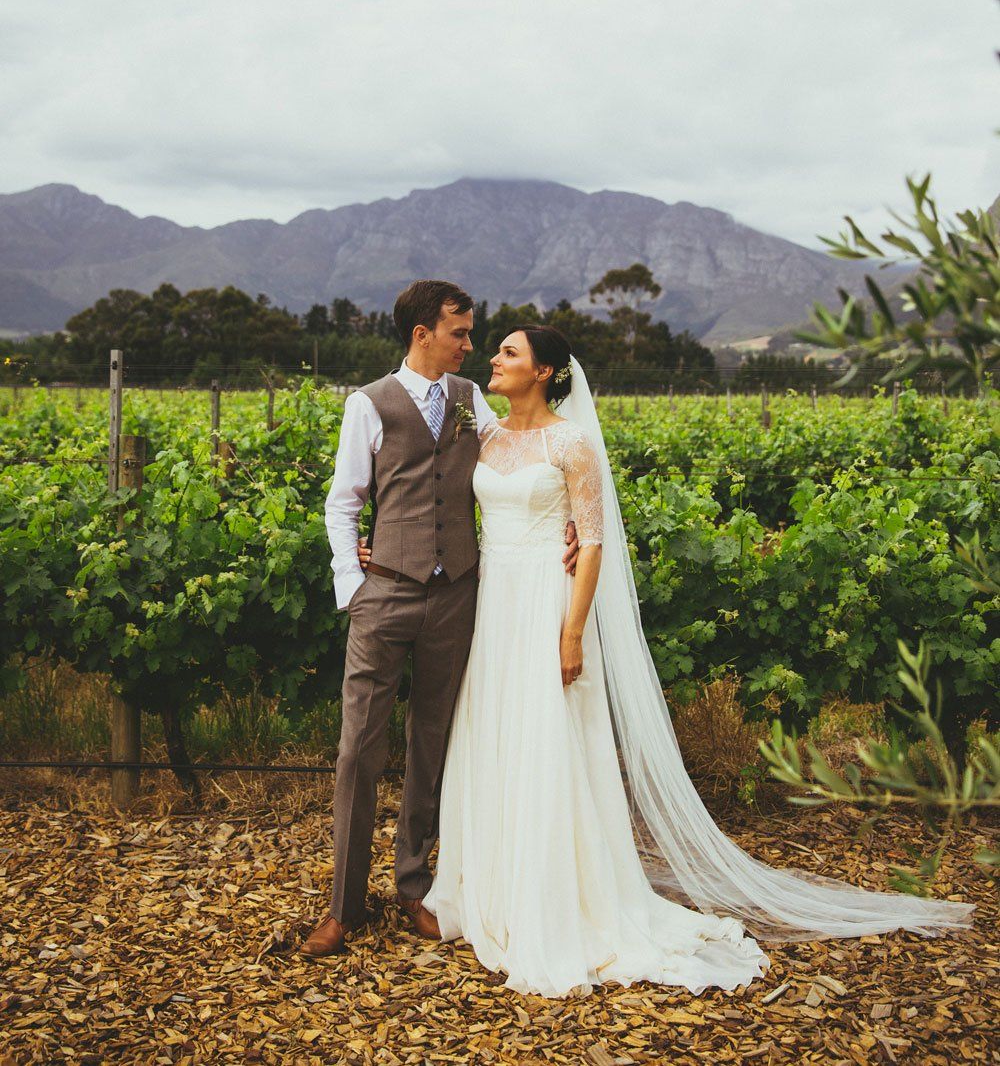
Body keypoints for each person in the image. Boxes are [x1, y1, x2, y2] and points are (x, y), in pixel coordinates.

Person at [417, 326, 974, 998]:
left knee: (550, 742)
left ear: (544, 371)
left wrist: (571, 634)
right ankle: (496, 888)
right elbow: (438, 500)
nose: (494, 360)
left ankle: (556, 899)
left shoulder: (572, 442)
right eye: (496, 350)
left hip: (546, 602)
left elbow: (590, 544)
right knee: (497, 736)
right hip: (494, 604)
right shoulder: (485, 435)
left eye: (509, 352)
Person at [300, 283, 578, 958]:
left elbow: (521, 460)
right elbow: (343, 503)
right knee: (358, 751)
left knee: (433, 743)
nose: (470, 343)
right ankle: (344, 907)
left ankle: (413, 885)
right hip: (385, 595)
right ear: (424, 332)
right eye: (460, 331)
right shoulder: (368, 404)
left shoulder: (470, 401)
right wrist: (353, 586)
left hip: (457, 594)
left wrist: (569, 519)